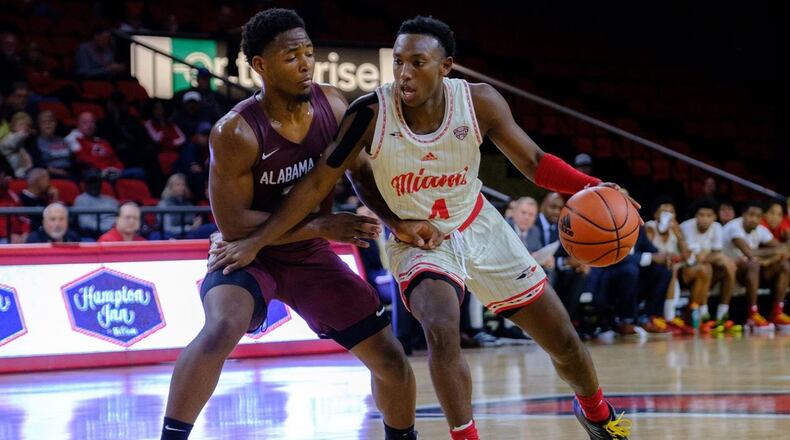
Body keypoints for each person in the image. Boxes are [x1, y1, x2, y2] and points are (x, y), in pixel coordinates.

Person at [211, 16, 633, 439]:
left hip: (479, 224)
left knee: (562, 339)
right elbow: (320, 181)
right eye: (397, 62)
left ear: (445, 66)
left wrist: (594, 186)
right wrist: (258, 240)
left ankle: (597, 414)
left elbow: (535, 164)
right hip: (419, 238)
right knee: (441, 327)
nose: (404, 73)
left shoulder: (480, 101)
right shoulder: (370, 112)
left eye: (417, 62)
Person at [160, 9, 417, 440]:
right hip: (246, 252)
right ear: (260, 65)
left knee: (390, 359)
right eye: (291, 55)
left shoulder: (334, 104)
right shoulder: (235, 132)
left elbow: (359, 169)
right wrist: (320, 226)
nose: (304, 63)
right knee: (222, 326)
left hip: (308, 255)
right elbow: (234, 224)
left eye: (309, 53)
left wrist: (393, 221)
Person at [723, 200, 790, 331]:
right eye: (751, 214)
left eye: (758, 216)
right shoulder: (734, 227)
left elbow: (783, 250)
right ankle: (752, 314)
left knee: (784, 265)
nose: (754, 219)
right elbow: (748, 252)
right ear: (743, 214)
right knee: (753, 264)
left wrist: (768, 261)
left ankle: (777, 312)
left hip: (750, 269)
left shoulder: (760, 229)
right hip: (727, 271)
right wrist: (776, 251)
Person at [679, 199, 739, 333]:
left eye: (708, 215)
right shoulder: (685, 227)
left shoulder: (717, 227)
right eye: (701, 215)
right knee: (706, 267)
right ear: (696, 216)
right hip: (685, 271)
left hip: (704, 271)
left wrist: (713, 256)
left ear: (714, 217)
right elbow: (692, 259)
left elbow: (715, 254)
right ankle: (702, 315)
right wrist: (712, 256)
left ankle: (722, 315)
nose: (705, 219)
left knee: (728, 267)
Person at [73, 171, 119, 237]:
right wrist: (108, 228)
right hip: (93, 235)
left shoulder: (110, 200)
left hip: (115, 232)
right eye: (91, 182)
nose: (94, 185)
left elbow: (121, 218)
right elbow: (85, 223)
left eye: (97, 182)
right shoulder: (81, 199)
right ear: (85, 184)